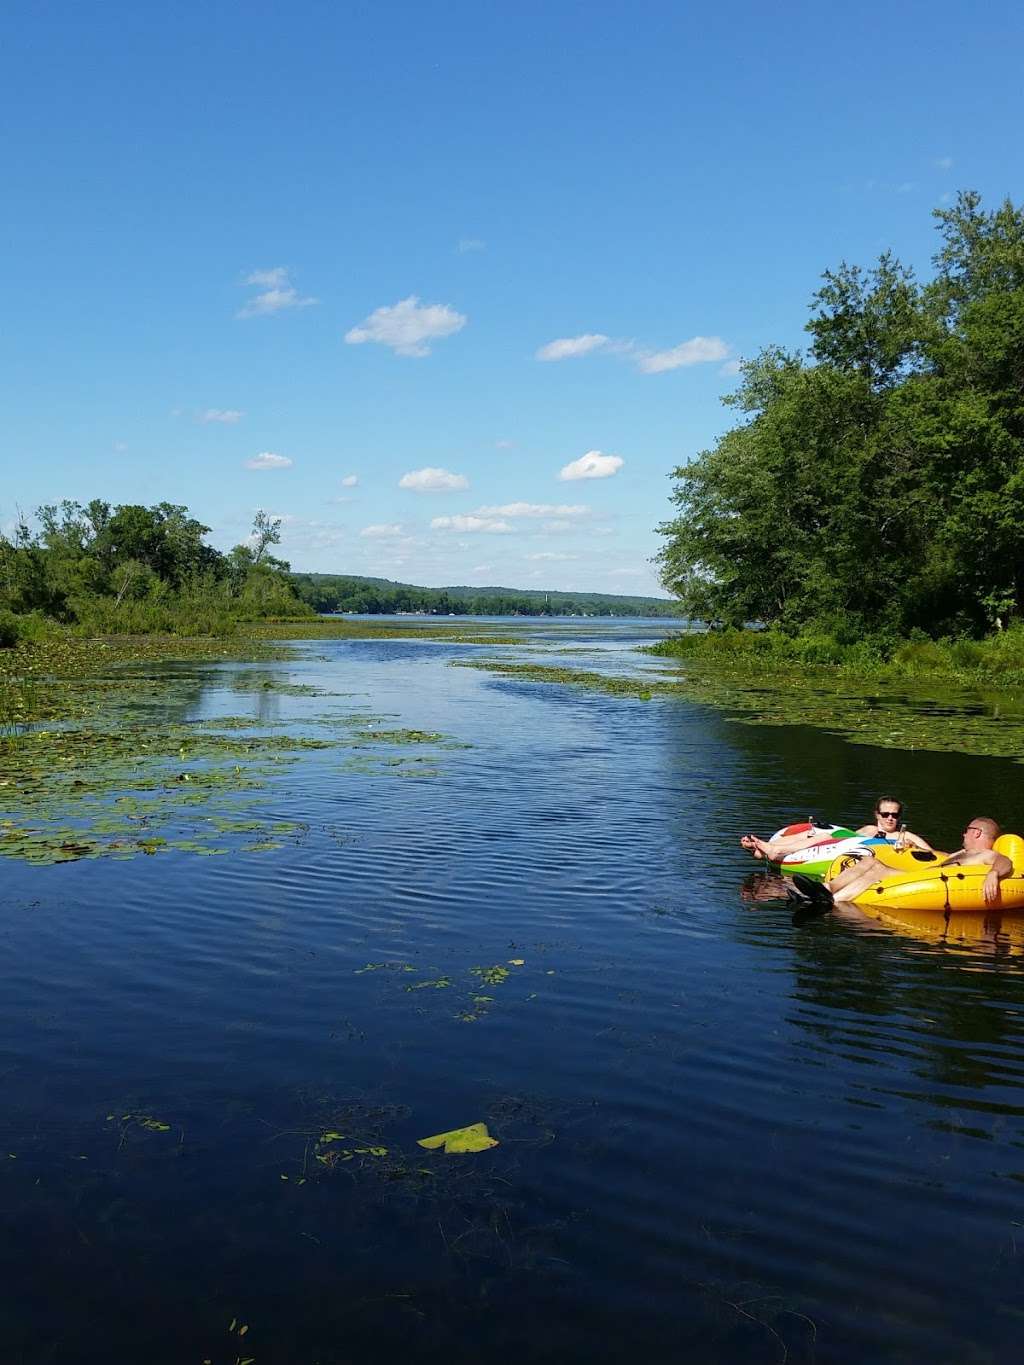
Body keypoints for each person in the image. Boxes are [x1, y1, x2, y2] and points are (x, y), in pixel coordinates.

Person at [792, 816, 1011, 907]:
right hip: (926, 874)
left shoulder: (986, 856)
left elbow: (1005, 863)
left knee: (875, 869)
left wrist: (993, 874)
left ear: (977, 832)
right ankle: (826, 893)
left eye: (967, 831)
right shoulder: (960, 853)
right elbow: (935, 857)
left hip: (928, 882)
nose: (963, 835)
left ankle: (829, 898)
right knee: (871, 863)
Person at [740, 797, 931, 861]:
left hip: (873, 858)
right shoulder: (869, 829)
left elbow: (930, 854)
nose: (890, 818)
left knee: (824, 835)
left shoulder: (905, 835)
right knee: (819, 833)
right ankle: (765, 848)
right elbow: (850, 839)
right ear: (877, 814)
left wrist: (910, 845)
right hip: (847, 851)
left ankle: (765, 850)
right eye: (886, 814)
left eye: (895, 815)